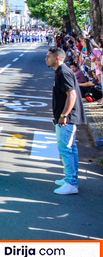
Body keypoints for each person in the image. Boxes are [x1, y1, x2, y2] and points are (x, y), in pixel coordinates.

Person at [47, 47, 85, 195]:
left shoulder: (63, 72)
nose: (46, 59)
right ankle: (71, 179)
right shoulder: (61, 71)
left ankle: (71, 182)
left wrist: (64, 115)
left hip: (66, 119)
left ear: (57, 58)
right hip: (66, 118)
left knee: (65, 149)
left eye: (48, 56)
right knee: (70, 149)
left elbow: (72, 95)